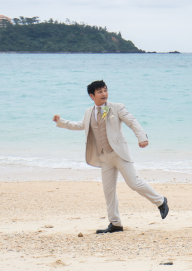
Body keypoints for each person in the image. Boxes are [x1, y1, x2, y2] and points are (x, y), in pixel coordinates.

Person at [52, 80, 169, 234]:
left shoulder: (116, 107)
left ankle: (160, 201)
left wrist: (141, 137)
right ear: (91, 96)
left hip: (119, 154)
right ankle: (115, 223)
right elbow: (80, 125)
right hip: (104, 157)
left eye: (105, 90)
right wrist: (61, 122)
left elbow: (132, 122)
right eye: (100, 92)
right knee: (108, 191)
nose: (104, 94)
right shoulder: (89, 112)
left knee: (134, 183)